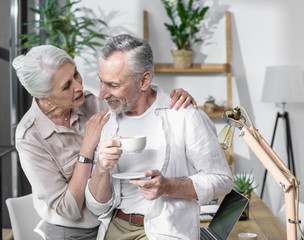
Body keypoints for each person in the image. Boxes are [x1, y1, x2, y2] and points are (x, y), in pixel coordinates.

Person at [12, 44, 197, 240]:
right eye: (66, 86)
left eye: (75, 74)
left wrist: (172, 100)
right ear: (44, 97)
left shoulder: (92, 103)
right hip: (72, 234)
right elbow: (69, 209)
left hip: (109, 222)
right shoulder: (30, 137)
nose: (78, 86)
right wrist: (87, 148)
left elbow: (136, 101)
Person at [85, 34, 233, 240]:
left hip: (165, 231)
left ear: (144, 80)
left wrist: (167, 186)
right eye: (101, 82)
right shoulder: (107, 122)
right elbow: (96, 206)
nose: (102, 94)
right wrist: (101, 168)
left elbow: (222, 180)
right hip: (115, 227)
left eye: (113, 85)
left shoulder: (184, 115)